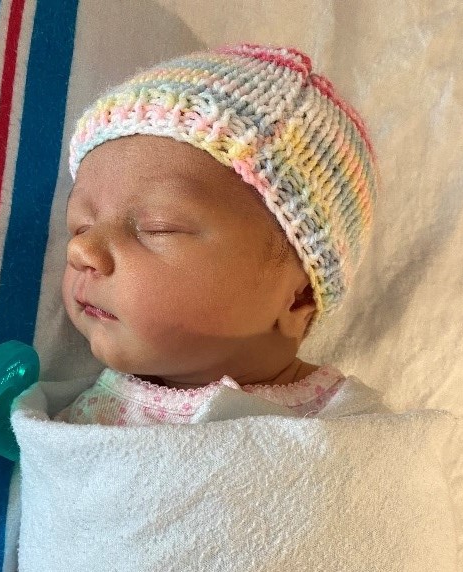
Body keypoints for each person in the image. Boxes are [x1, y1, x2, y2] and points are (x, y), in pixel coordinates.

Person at [54, 43, 384, 426]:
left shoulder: (353, 431)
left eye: (158, 227)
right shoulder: (75, 414)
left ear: (297, 298)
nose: (81, 249)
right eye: (80, 225)